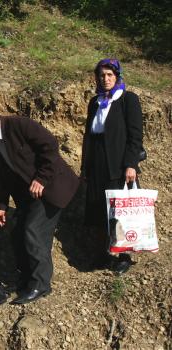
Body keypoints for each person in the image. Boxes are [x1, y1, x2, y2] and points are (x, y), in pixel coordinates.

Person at [0, 102, 79, 304]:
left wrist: (42, 178)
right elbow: (4, 175)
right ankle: (27, 278)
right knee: (18, 231)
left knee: (33, 231)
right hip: (31, 195)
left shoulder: (20, 125)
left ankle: (41, 285)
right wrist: (1, 205)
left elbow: (50, 145)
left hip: (52, 188)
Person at [81, 58, 143, 274]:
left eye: (109, 75)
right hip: (97, 162)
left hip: (118, 164)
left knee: (121, 211)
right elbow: (88, 136)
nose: (105, 79)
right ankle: (103, 253)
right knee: (99, 208)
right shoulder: (95, 102)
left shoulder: (127, 99)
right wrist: (85, 167)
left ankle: (124, 255)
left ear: (117, 76)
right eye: (102, 75)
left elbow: (135, 136)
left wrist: (131, 164)